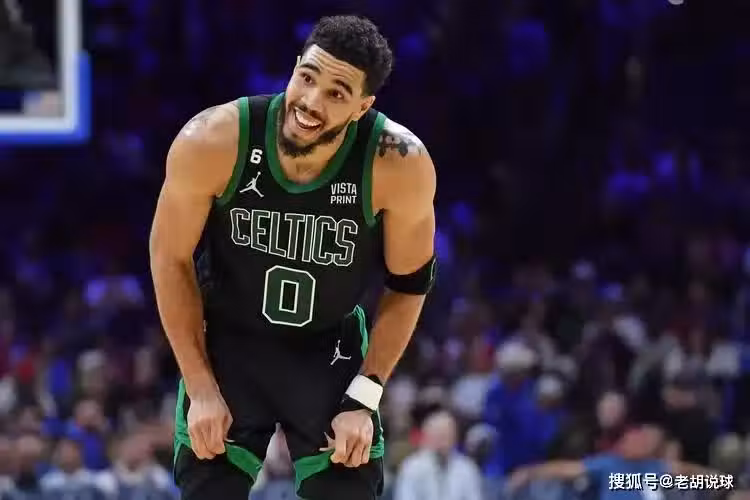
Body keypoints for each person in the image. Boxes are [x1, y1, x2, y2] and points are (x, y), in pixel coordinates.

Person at [149, 15, 436, 500]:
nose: (311, 101)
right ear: (295, 66)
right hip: (228, 345)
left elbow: (410, 284)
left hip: (329, 351)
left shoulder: (398, 162)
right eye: (307, 77)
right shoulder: (214, 139)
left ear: (363, 106)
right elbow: (169, 257)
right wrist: (199, 386)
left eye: (337, 93)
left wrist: (365, 395)